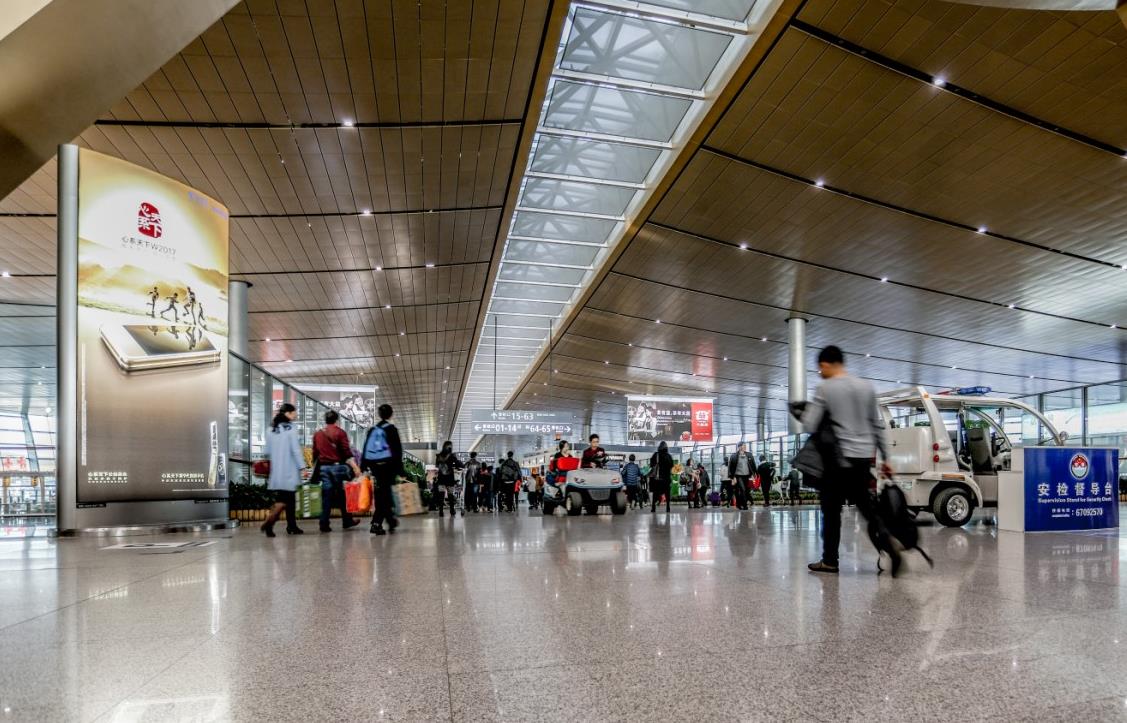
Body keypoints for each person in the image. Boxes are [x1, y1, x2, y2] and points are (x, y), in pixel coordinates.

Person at [799, 344, 897, 575]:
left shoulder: (825, 388)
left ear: (825, 364)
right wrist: (886, 457)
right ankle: (887, 542)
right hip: (863, 459)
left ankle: (830, 561)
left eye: (820, 368)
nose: (820, 373)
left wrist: (803, 411)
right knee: (867, 508)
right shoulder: (866, 387)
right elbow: (876, 425)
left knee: (831, 511)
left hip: (837, 459)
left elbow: (810, 424)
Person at [312, 410, 362, 532]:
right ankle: (347, 520)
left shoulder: (318, 434)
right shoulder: (340, 432)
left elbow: (315, 453)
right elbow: (346, 452)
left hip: (323, 468)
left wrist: (315, 466)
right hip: (337, 468)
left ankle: (324, 523)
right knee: (341, 494)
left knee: (327, 496)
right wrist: (355, 467)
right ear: (337, 420)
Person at [261, 403, 305, 537]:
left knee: (288, 500)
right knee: (286, 500)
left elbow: (267, 451)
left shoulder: (271, 429)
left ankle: (291, 526)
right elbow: (296, 450)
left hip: (277, 472)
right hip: (289, 471)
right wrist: (302, 467)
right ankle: (270, 522)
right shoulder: (291, 428)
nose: (295, 415)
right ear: (288, 413)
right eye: (294, 413)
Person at [360, 403, 402, 536]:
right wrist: (400, 470)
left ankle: (390, 521)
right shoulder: (391, 429)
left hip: (375, 467)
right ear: (390, 414)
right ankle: (377, 523)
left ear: (379, 414)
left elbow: (366, 448)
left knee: (382, 494)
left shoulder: (372, 430)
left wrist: (363, 465)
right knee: (384, 495)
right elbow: (397, 450)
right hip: (388, 466)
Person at [434, 442, 463, 517]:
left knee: (441, 495)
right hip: (449, 479)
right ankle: (452, 510)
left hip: (441, 479)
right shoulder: (452, 456)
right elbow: (459, 464)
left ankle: (441, 511)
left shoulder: (438, 456)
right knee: (450, 495)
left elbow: (437, 465)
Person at [649, 441, 673, 513]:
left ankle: (653, 508)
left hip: (657, 478)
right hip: (666, 479)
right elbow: (671, 465)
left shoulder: (656, 455)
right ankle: (668, 508)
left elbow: (651, 465)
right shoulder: (669, 456)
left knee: (655, 493)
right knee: (667, 493)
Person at [727, 443, 753, 510]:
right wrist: (732, 477)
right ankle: (745, 505)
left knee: (745, 491)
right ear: (739, 447)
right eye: (743, 446)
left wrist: (754, 474)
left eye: (745, 446)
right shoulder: (734, 456)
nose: (744, 447)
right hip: (738, 476)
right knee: (742, 489)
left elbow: (753, 464)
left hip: (747, 475)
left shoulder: (749, 455)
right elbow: (730, 467)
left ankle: (738, 504)